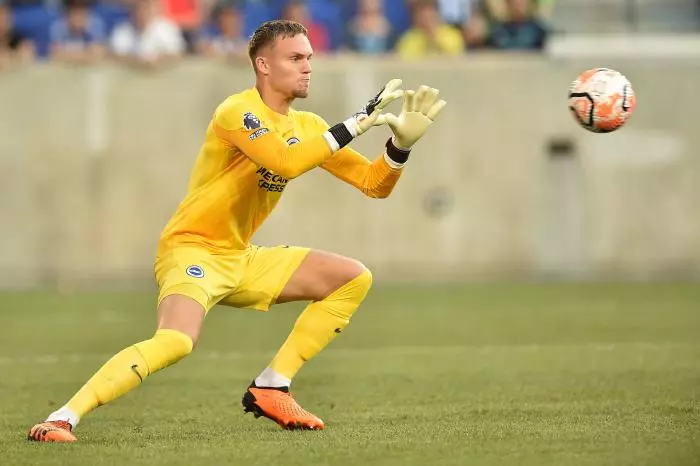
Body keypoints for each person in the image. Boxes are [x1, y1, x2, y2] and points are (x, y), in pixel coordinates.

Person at [27, 19, 445, 442]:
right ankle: (61, 418)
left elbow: (374, 184)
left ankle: (272, 386)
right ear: (263, 65)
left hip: (238, 255)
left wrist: (401, 147)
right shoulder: (237, 111)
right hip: (192, 249)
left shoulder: (308, 127)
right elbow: (284, 162)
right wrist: (354, 123)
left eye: (309, 58)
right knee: (176, 341)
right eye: (295, 58)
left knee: (352, 278)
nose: (307, 67)